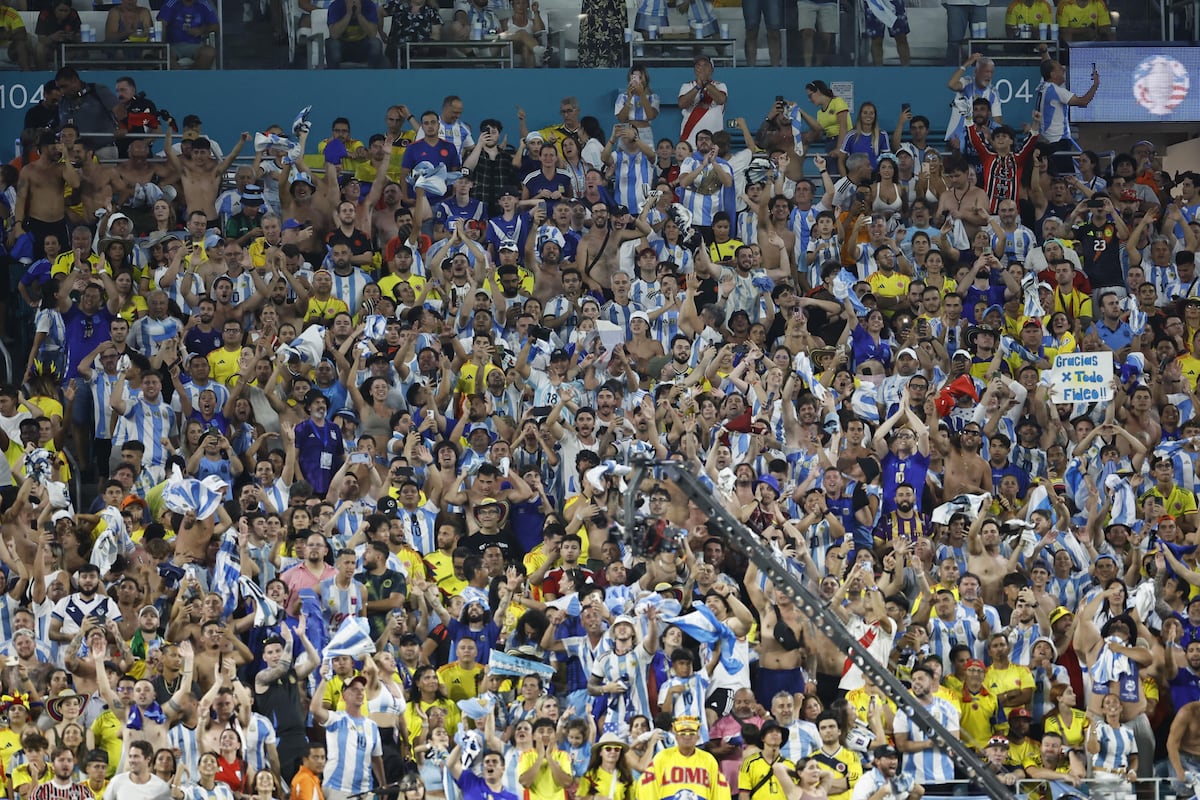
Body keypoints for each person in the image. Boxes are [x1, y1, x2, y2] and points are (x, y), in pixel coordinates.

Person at [638, 716, 731, 800]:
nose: (687, 737)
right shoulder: (661, 758)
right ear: (676, 736)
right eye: (683, 733)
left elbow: (721, 791)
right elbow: (646, 787)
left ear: (698, 737)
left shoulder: (708, 760)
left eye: (691, 733)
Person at [677, 57, 727, 147]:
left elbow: (721, 100)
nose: (702, 68)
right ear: (695, 70)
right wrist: (698, 87)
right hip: (690, 140)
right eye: (698, 65)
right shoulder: (687, 86)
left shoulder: (720, 85)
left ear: (712, 69)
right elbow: (682, 104)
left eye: (705, 65)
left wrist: (706, 83)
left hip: (714, 140)